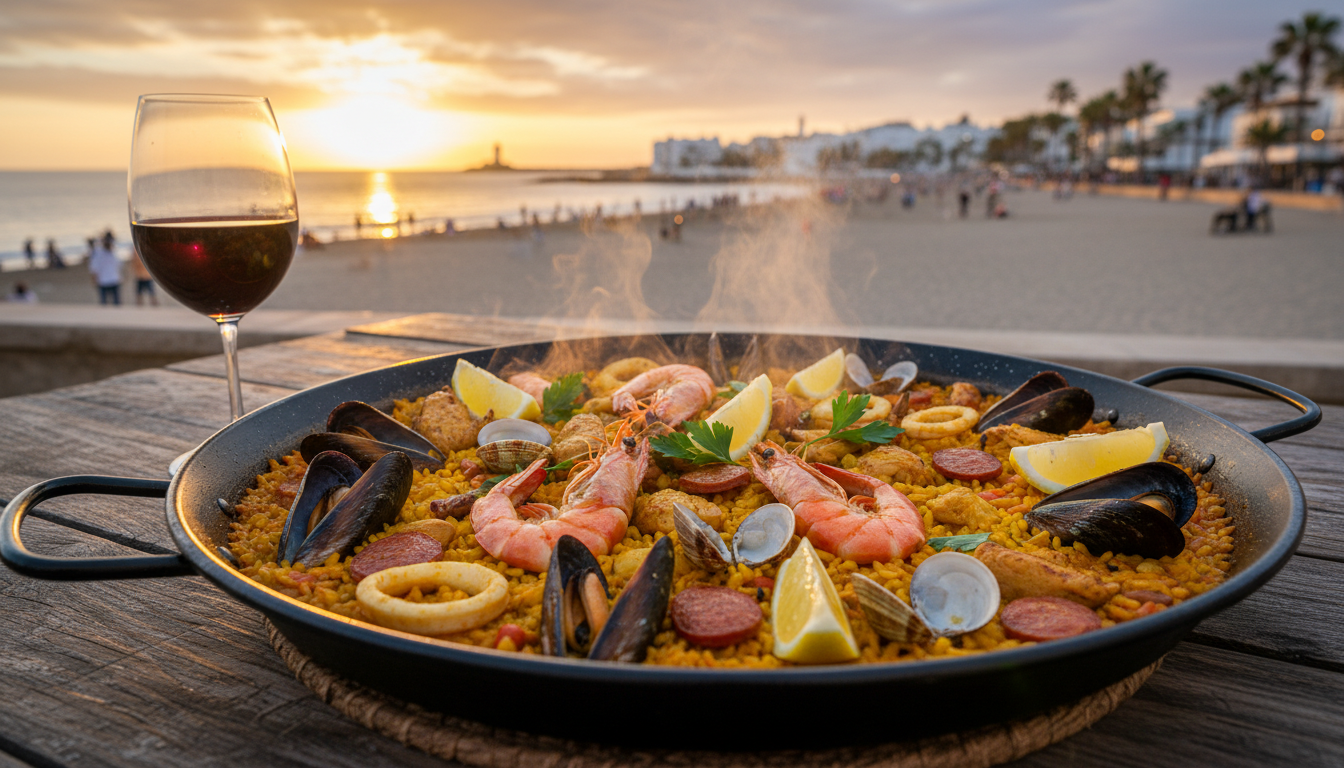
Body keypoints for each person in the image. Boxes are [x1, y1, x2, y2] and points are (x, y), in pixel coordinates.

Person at [88, 237, 122, 305]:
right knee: (105, 303)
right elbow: (94, 269)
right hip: (105, 281)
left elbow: (94, 268)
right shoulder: (100, 254)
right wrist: (94, 279)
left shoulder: (112, 254)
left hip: (111, 280)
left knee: (115, 302)